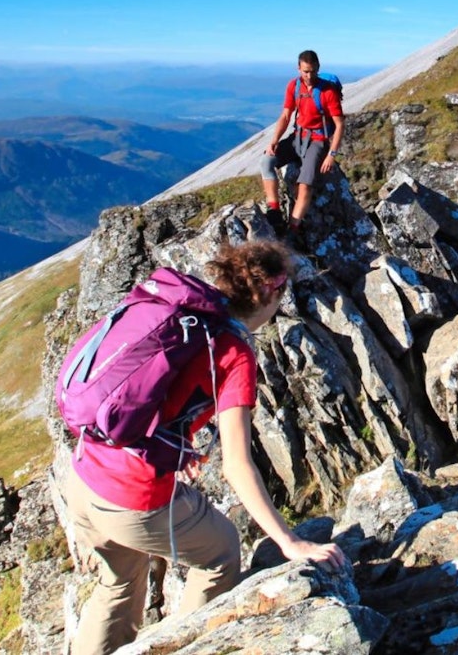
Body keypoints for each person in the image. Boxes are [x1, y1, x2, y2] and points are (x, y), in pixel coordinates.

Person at [59, 240, 346, 655]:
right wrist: (290, 542)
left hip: (83, 478)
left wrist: (178, 450)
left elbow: (146, 399)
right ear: (269, 294)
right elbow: (237, 465)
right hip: (133, 497)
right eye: (281, 295)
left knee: (118, 583)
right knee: (221, 552)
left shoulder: (183, 319)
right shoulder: (233, 353)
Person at [260, 49, 344, 239]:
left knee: (305, 185)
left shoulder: (328, 91)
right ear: (298, 69)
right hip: (298, 136)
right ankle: (274, 210)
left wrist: (331, 154)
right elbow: (286, 115)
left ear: (318, 68)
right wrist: (274, 141)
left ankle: (293, 228)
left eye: (313, 71)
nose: (309, 75)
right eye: (305, 71)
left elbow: (339, 125)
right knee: (266, 162)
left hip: (318, 141)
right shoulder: (294, 86)